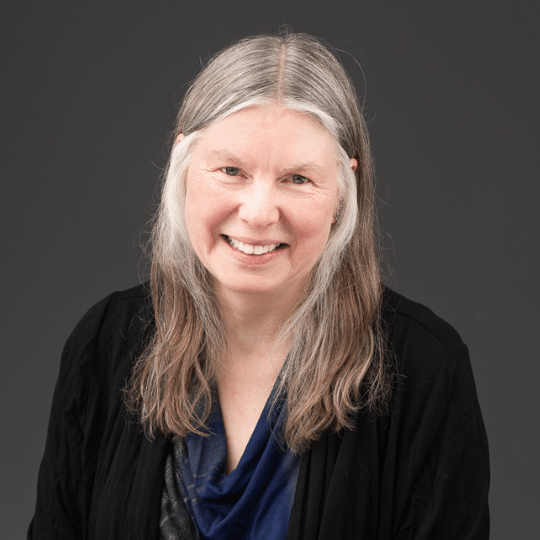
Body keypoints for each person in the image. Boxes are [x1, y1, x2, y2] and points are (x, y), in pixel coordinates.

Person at [28, 32, 490, 539]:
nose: (258, 213)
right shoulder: (104, 344)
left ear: (343, 191)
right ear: (183, 168)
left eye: (297, 179)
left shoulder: (424, 367)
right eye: (231, 170)